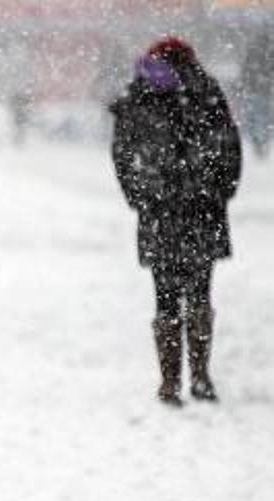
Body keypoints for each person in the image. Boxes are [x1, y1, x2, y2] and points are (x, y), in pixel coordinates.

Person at [110, 37, 241, 405]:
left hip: (159, 212)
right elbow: (229, 145)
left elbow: (122, 152)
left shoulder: (140, 94)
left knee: (165, 297)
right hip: (203, 210)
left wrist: (140, 195)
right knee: (200, 292)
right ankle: (199, 376)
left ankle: (170, 382)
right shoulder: (206, 90)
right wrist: (219, 190)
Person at [240, 33, 274, 159]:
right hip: (263, 92)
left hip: (255, 91)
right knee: (262, 118)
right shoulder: (267, 55)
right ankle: (261, 142)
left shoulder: (254, 54)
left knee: (255, 118)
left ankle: (259, 142)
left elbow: (246, 72)